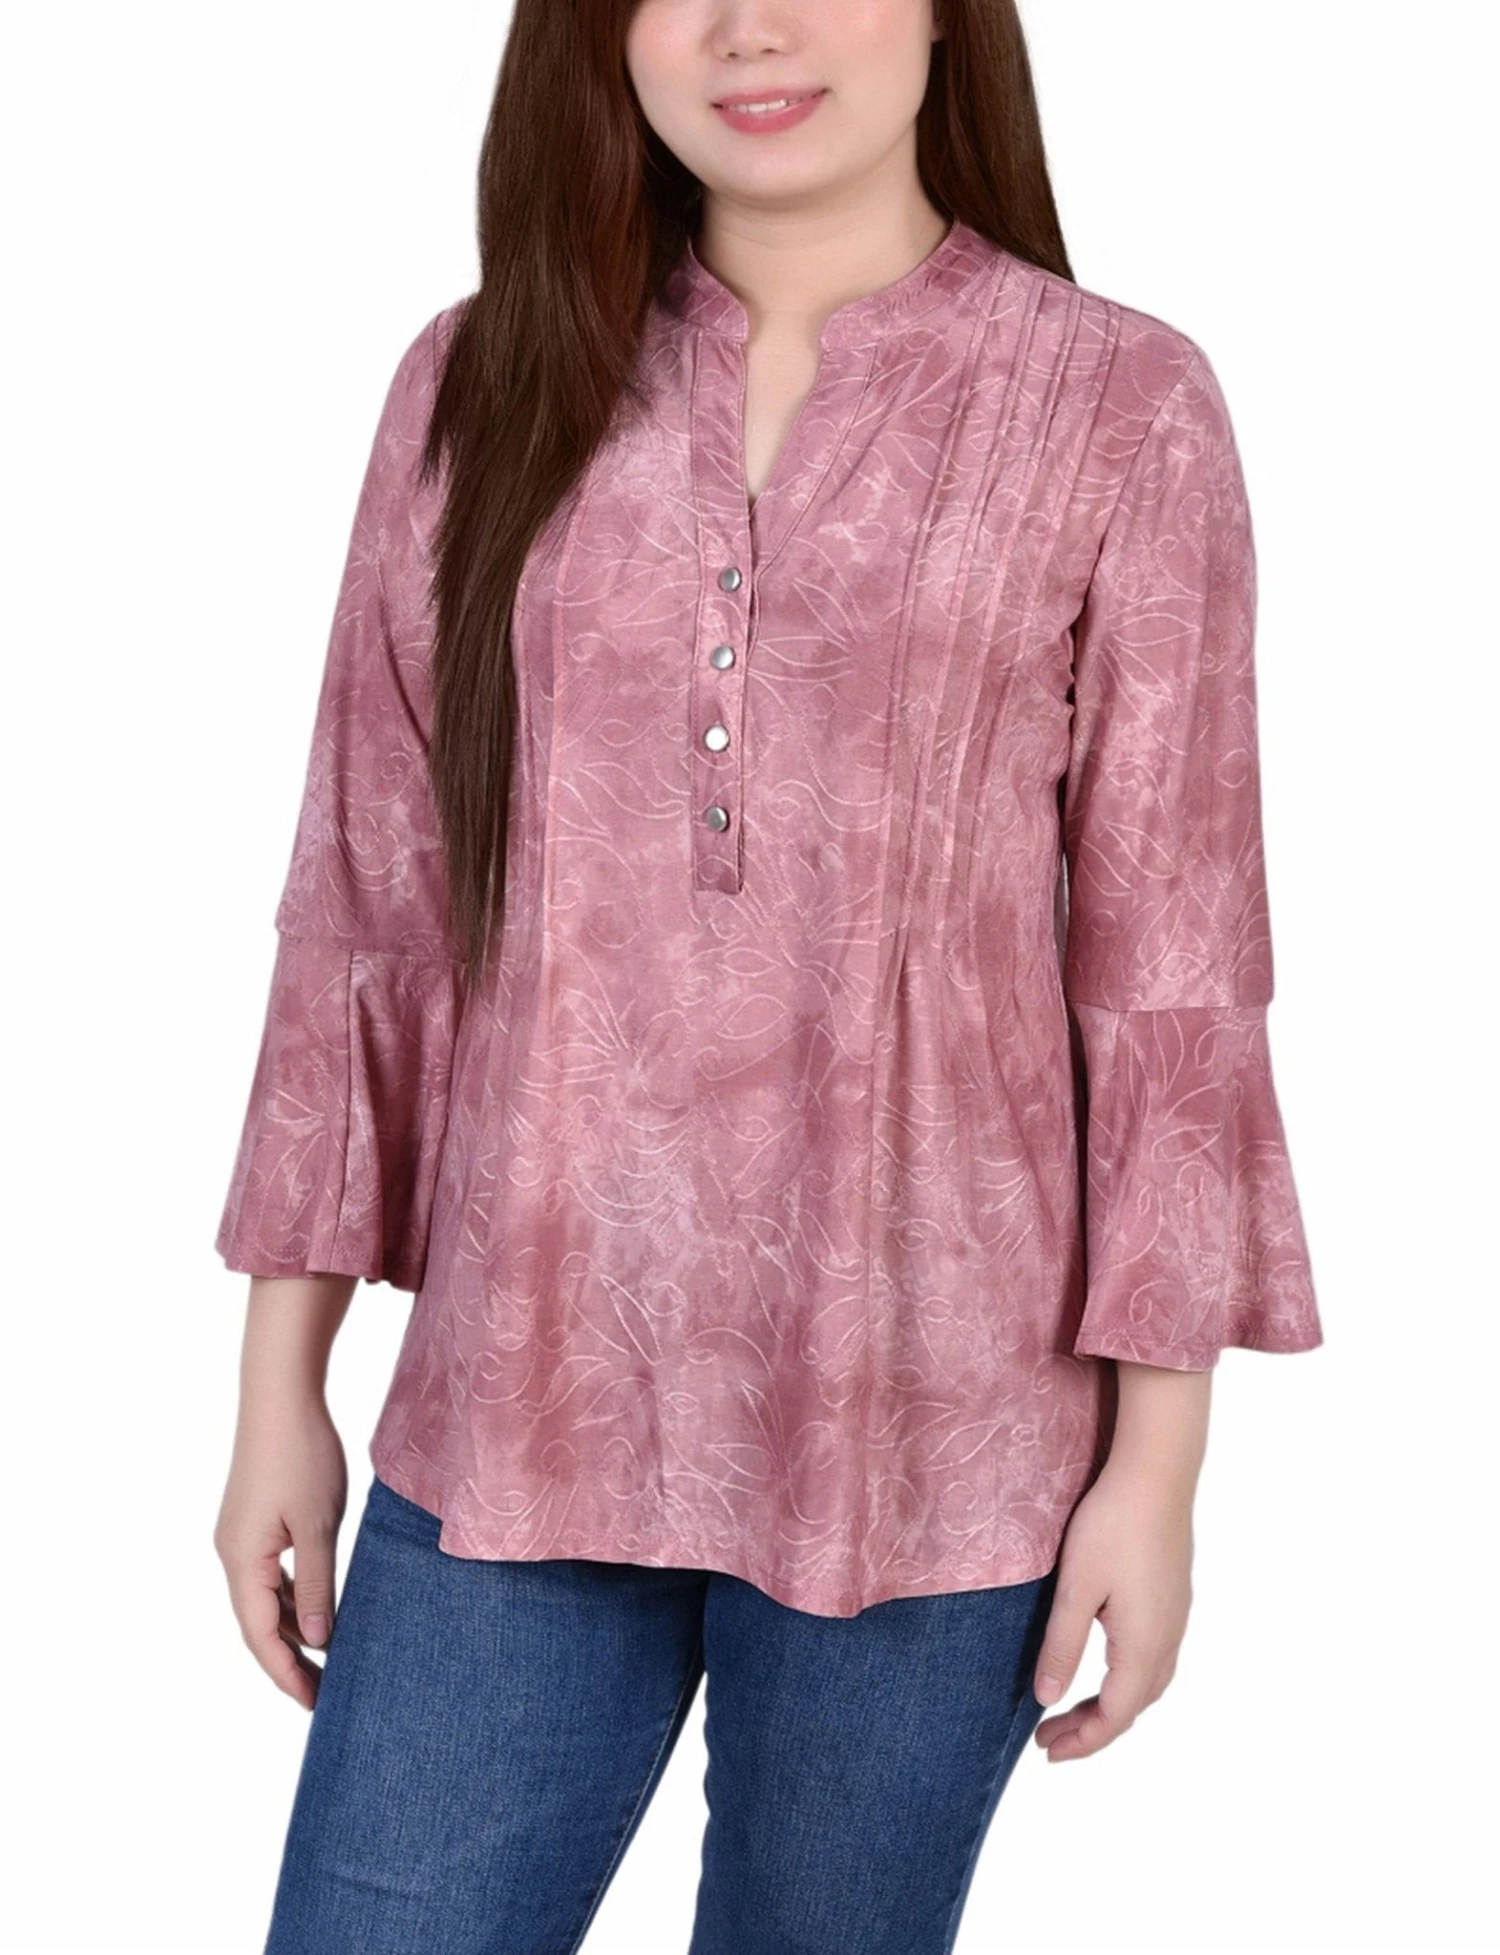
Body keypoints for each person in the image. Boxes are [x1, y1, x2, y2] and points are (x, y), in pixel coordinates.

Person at [212, 2, 1324, 1949]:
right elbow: (370, 896)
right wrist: (277, 1388)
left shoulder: (1121, 404)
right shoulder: (480, 379)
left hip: (934, 1433)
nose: (751, 28)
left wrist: (1158, 1469)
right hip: (517, 1399)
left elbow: (1173, 963)